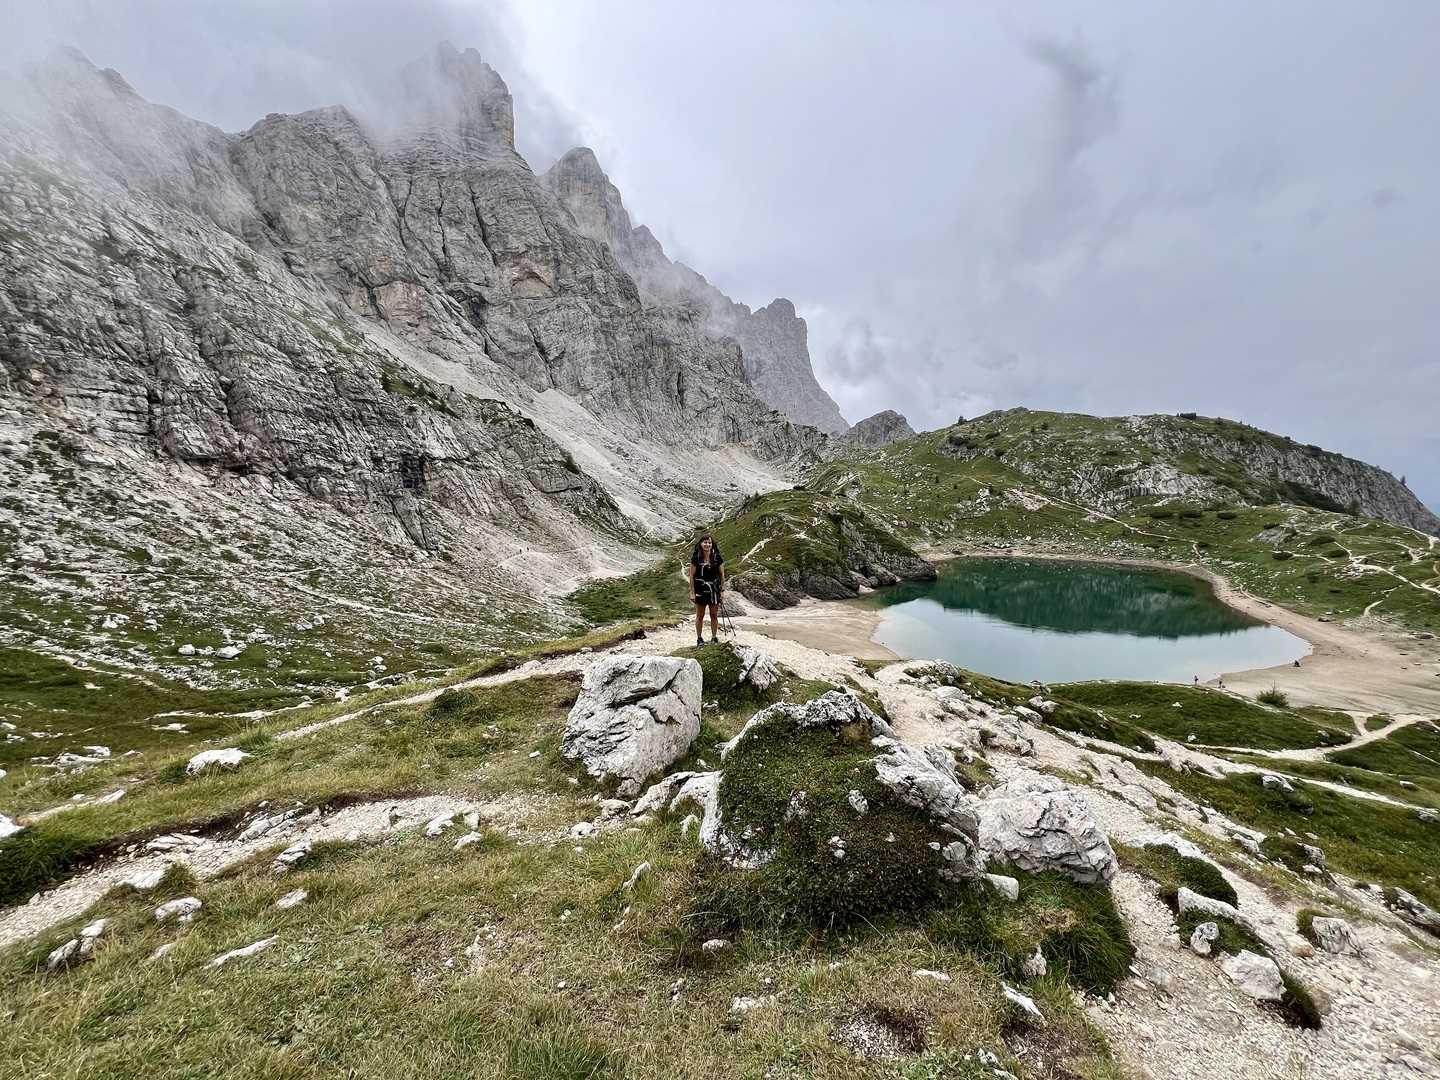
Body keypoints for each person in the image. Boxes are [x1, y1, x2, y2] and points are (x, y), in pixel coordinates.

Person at [690, 534, 725, 646]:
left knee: (714, 615)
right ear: (701, 544)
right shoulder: (696, 558)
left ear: (712, 544)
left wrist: (722, 590)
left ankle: (714, 637)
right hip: (700, 590)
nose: (707, 544)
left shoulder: (717, 557)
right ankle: (699, 638)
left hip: (714, 590)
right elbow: (691, 576)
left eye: (709, 542)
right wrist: (692, 592)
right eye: (705, 542)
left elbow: (722, 574)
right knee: (700, 615)